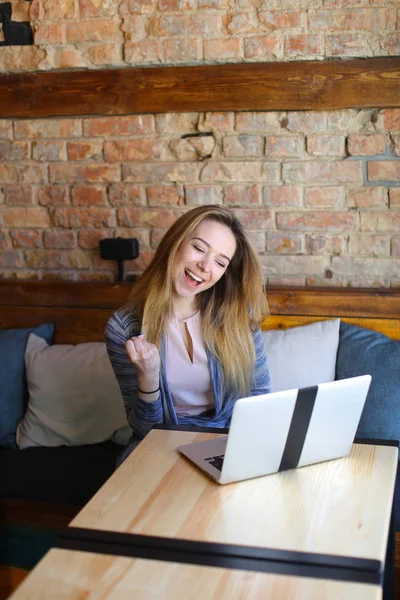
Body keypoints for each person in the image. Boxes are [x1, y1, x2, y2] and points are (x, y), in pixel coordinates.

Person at [105, 205, 271, 465]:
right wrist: (148, 377)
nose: (205, 266)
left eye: (219, 262)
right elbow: (144, 429)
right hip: (162, 442)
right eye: (199, 248)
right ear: (176, 243)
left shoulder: (240, 316)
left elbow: (259, 394)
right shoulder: (125, 327)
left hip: (228, 438)